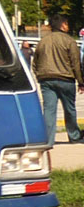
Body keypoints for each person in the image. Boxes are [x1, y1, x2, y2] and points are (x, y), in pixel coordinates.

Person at [32, 14, 84, 144]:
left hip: (46, 79)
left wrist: (39, 75)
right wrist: (81, 82)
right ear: (63, 25)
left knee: (49, 110)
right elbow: (76, 63)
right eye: (66, 24)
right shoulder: (69, 41)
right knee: (69, 109)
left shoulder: (42, 41)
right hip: (65, 79)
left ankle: (48, 140)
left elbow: (35, 62)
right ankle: (74, 136)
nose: (68, 26)